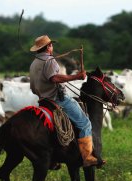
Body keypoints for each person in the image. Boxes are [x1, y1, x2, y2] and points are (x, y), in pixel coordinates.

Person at [29, 35, 104, 167]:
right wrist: (77, 76)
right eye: (51, 45)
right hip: (57, 99)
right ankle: (88, 157)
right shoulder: (50, 61)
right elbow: (54, 78)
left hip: (42, 100)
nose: (52, 47)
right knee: (85, 123)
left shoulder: (34, 63)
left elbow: (33, 87)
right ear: (47, 47)